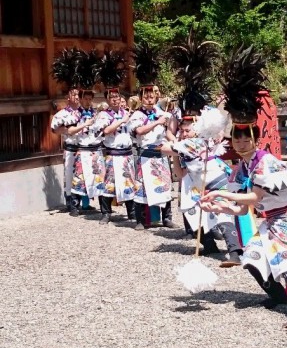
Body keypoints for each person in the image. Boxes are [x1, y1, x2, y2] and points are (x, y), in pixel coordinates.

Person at [201, 123, 287, 329]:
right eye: (237, 140)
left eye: (247, 139)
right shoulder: (240, 170)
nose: (242, 144)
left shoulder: (266, 161)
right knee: (251, 256)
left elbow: (255, 197)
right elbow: (242, 210)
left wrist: (219, 193)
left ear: (256, 141)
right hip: (271, 217)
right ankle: (279, 296)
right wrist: (216, 208)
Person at [162, 114, 243, 262]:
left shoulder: (194, 143)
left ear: (197, 131)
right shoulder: (189, 145)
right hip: (201, 185)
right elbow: (180, 174)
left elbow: (164, 148)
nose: (184, 134)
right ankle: (209, 245)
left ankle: (234, 252)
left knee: (223, 214)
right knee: (192, 211)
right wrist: (175, 155)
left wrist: (173, 143)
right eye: (182, 131)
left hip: (216, 183)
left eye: (187, 130)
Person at [128, 86, 176, 230]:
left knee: (164, 186)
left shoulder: (161, 113)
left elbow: (166, 133)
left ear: (156, 98)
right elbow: (139, 131)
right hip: (145, 156)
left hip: (160, 154)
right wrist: (156, 122)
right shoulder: (137, 115)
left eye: (152, 96)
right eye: (146, 97)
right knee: (142, 188)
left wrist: (176, 142)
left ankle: (167, 218)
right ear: (141, 98)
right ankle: (141, 220)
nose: (149, 99)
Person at [97, 88, 136, 224]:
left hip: (126, 153)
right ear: (107, 99)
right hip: (112, 154)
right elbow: (106, 131)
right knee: (109, 183)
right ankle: (106, 213)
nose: (115, 99)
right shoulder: (104, 115)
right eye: (111, 97)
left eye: (117, 97)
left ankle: (131, 212)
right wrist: (122, 121)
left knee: (129, 182)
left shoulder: (126, 113)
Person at [51, 88, 85, 211]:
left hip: (84, 147)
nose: (77, 97)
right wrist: (67, 131)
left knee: (84, 175)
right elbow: (54, 129)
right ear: (68, 97)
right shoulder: (63, 113)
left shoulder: (85, 112)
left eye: (78, 95)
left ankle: (84, 203)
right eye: (74, 94)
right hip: (71, 147)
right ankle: (71, 203)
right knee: (70, 175)